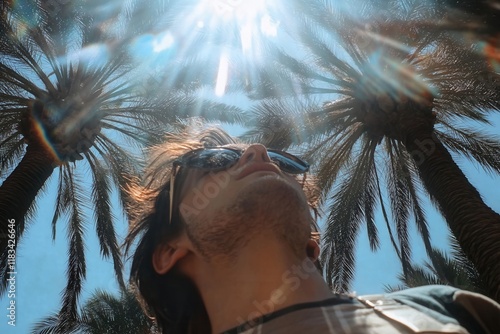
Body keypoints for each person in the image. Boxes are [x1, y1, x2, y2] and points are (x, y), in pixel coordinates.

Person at [124, 126, 500, 334]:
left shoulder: (447, 307)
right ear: (169, 250)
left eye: (285, 163)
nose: (259, 152)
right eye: (217, 161)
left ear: (312, 244)